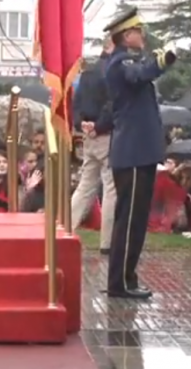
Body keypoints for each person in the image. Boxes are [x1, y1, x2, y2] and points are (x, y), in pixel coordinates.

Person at [103, 7, 175, 299]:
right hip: (131, 154)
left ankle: (127, 278)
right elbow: (139, 74)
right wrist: (164, 58)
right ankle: (119, 282)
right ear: (126, 36)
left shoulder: (127, 61)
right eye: (137, 31)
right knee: (129, 222)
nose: (142, 35)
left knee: (135, 221)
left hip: (138, 153)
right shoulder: (121, 63)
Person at [70, 38, 116, 253]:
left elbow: (77, 102)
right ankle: (107, 243)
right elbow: (112, 103)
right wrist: (99, 126)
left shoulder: (88, 72)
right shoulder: (113, 71)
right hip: (106, 133)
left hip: (89, 135)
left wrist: (83, 124)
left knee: (85, 185)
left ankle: (65, 230)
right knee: (111, 188)